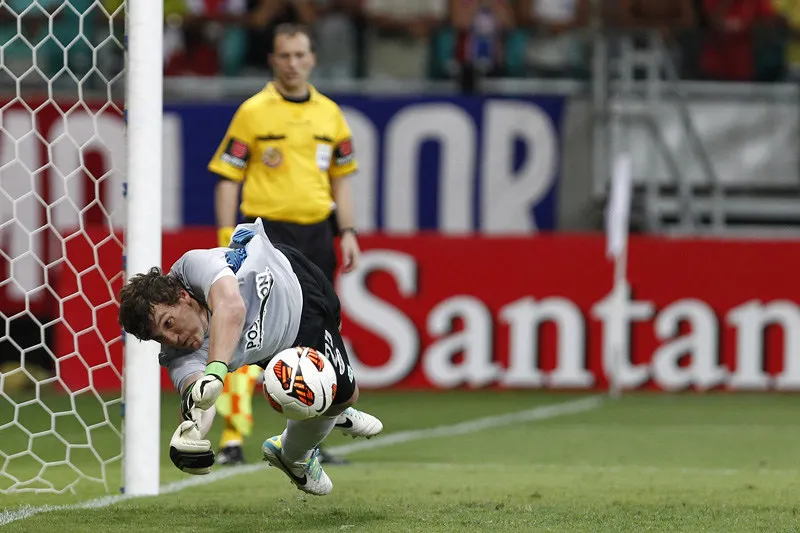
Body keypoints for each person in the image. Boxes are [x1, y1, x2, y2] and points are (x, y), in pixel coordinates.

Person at [117, 219, 383, 496]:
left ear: (183, 297)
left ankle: (325, 405)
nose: (171, 339)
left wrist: (215, 371)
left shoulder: (191, 267)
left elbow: (232, 306)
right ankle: (291, 455)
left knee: (334, 349)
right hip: (291, 336)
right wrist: (192, 434)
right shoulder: (178, 356)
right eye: (159, 337)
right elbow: (200, 398)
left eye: (168, 323)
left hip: (291, 269)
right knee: (346, 395)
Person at [208, 23, 361, 466]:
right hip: (268, 233)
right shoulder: (254, 112)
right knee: (246, 332)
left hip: (317, 233)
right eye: (284, 56)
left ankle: (309, 438)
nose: (293, 64)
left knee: (319, 336)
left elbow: (342, 180)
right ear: (272, 60)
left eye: (300, 55)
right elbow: (227, 179)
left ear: (312, 58)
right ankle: (234, 438)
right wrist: (226, 237)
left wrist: (347, 232)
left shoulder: (331, 115)